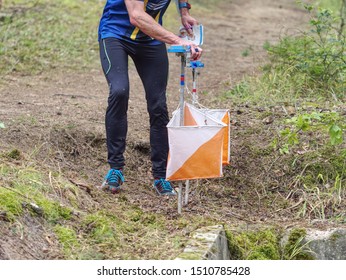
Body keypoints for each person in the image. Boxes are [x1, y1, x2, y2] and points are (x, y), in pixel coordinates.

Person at [98, 0, 202, 195]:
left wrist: (184, 12)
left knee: (158, 104)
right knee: (119, 91)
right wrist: (177, 40)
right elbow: (136, 15)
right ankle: (115, 168)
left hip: (150, 39)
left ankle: (160, 176)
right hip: (115, 33)